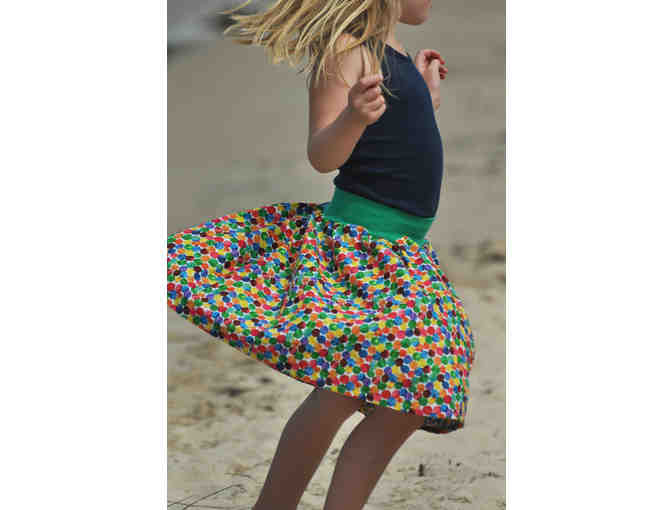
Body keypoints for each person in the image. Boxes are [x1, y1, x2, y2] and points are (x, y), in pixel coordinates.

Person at [166, 1, 476, 508]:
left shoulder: (393, 51)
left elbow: (395, 141)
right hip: (361, 249)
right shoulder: (346, 49)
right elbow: (323, 154)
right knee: (346, 388)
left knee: (414, 388)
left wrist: (423, 98)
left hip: (403, 251)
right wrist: (353, 116)